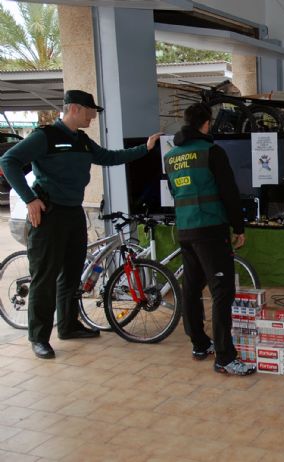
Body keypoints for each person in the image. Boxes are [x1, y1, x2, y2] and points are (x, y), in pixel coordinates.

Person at [0, 89, 162, 359]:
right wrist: (30, 200)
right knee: (45, 278)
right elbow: (8, 161)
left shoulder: (82, 141)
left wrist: (143, 149)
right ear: (75, 108)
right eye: (90, 111)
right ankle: (38, 337)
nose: (92, 117)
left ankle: (68, 325)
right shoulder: (45, 136)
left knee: (72, 274)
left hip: (74, 214)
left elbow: (109, 157)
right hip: (49, 215)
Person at [163, 102, 255, 376]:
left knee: (191, 288)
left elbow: (173, 190)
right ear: (207, 123)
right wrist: (239, 227)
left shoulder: (171, 156)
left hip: (185, 229)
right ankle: (225, 357)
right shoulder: (211, 152)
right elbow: (229, 191)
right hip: (211, 228)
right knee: (222, 292)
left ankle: (200, 344)